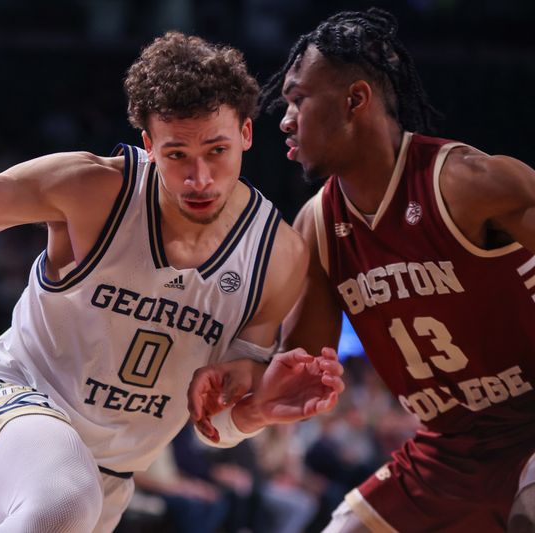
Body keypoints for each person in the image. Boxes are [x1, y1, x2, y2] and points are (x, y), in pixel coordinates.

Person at [0, 32, 344, 533]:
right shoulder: (93, 189)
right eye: (177, 155)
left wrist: (251, 410)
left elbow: (220, 426)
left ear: (247, 134)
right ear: (149, 143)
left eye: (217, 150)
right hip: (7, 404)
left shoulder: (277, 255)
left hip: (108, 480)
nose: (199, 178)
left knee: (69, 500)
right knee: (65, 496)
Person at [190, 8, 535, 533]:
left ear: (355, 100)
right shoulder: (317, 226)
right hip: (448, 454)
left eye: (298, 99)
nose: (283, 120)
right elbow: (297, 367)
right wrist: (248, 404)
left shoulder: (469, 184)